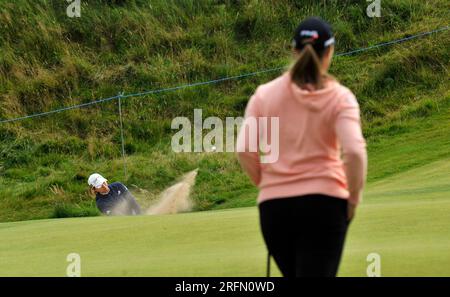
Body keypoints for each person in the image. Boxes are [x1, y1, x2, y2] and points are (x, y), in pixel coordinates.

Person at [236, 17, 367, 277]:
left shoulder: (264, 94)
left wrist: (268, 183)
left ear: (294, 51)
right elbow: (353, 152)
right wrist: (353, 199)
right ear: (330, 51)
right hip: (325, 205)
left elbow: (244, 149)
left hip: (274, 211)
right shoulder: (340, 97)